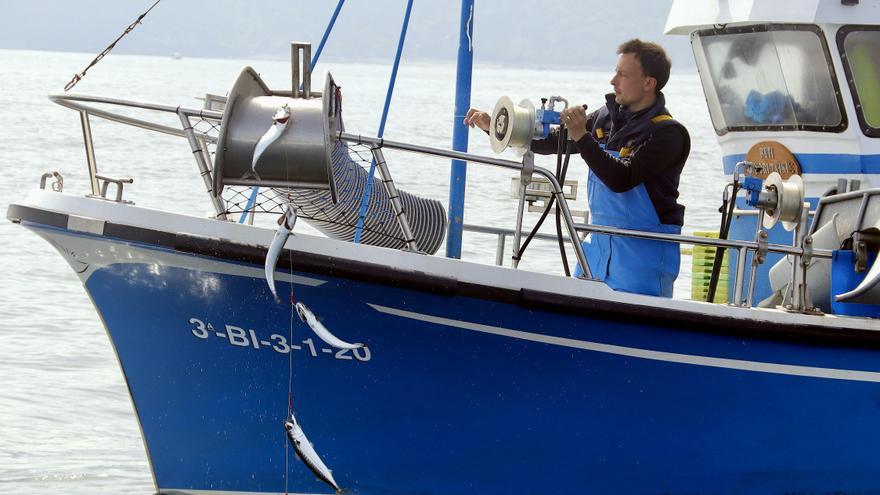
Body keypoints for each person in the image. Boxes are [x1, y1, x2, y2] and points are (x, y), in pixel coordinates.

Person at [464, 39, 690, 297]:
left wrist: (582, 136)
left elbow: (622, 178)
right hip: (596, 255)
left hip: (641, 263)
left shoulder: (668, 134)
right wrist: (495, 125)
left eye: (623, 74)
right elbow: (551, 142)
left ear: (649, 83)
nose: (613, 80)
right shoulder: (606, 117)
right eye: (615, 72)